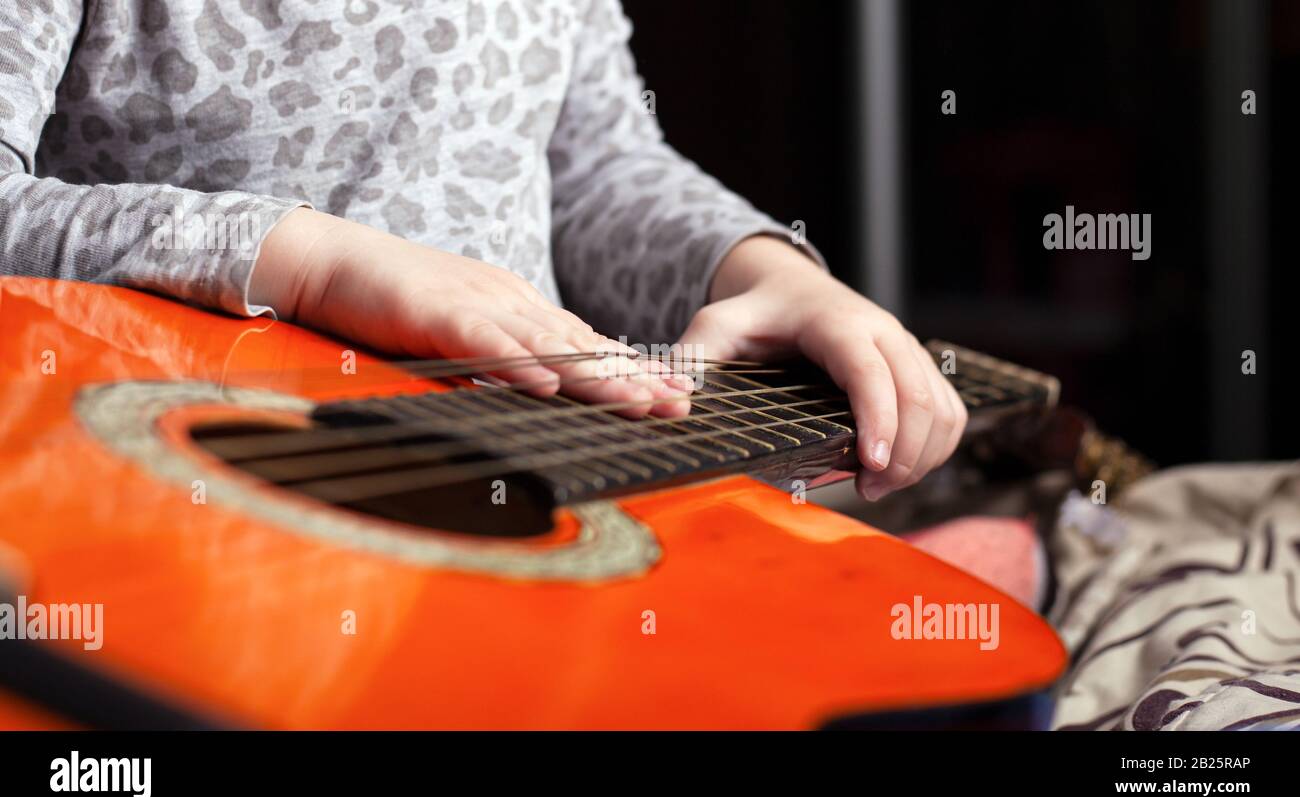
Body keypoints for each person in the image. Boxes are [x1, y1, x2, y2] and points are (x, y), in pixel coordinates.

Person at [0, 0, 964, 500]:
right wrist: (313, 265)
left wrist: (768, 273)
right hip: (181, 491)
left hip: (536, 477)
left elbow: (593, 167)